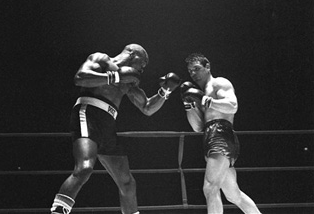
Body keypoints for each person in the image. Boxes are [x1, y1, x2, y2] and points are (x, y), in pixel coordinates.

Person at [50, 44, 181, 214]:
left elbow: (147, 107)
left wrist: (165, 91)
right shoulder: (102, 60)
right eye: (143, 63)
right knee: (85, 168)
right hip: (89, 113)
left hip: (108, 124)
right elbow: (80, 78)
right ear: (133, 54)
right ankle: (58, 211)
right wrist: (115, 77)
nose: (143, 68)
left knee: (127, 182)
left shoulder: (129, 81)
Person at [180, 53, 261, 214]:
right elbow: (198, 127)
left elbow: (233, 105)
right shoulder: (201, 92)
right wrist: (189, 105)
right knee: (233, 195)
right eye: (190, 71)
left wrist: (209, 101)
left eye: (196, 69)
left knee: (210, 188)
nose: (193, 74)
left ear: (207, 66)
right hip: (210, 136)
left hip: (222, 135)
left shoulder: (219, 83)